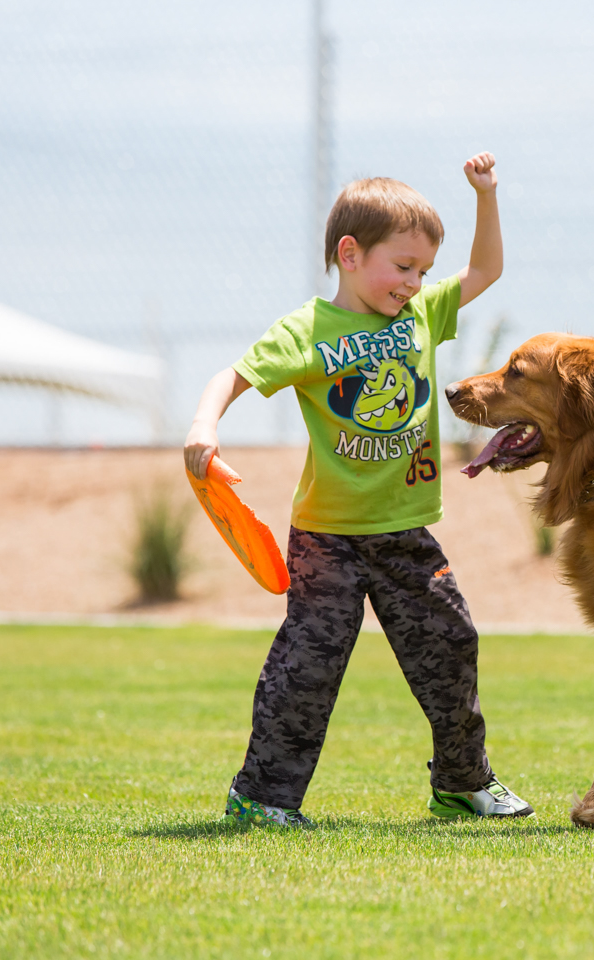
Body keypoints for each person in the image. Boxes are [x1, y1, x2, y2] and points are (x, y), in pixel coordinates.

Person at [184, 153, 532, 827]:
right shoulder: (308, 330)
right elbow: (230, 376)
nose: (414, 282)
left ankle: (462, 784)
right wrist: (204, 425)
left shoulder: (423, 314)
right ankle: (261, 797)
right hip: (328, 538)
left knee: (452, 643)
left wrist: (486, 197)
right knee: (308, 667)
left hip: (405, 531)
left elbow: (486, 270)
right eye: (402, 266)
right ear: (350, 253)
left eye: (424, 271)